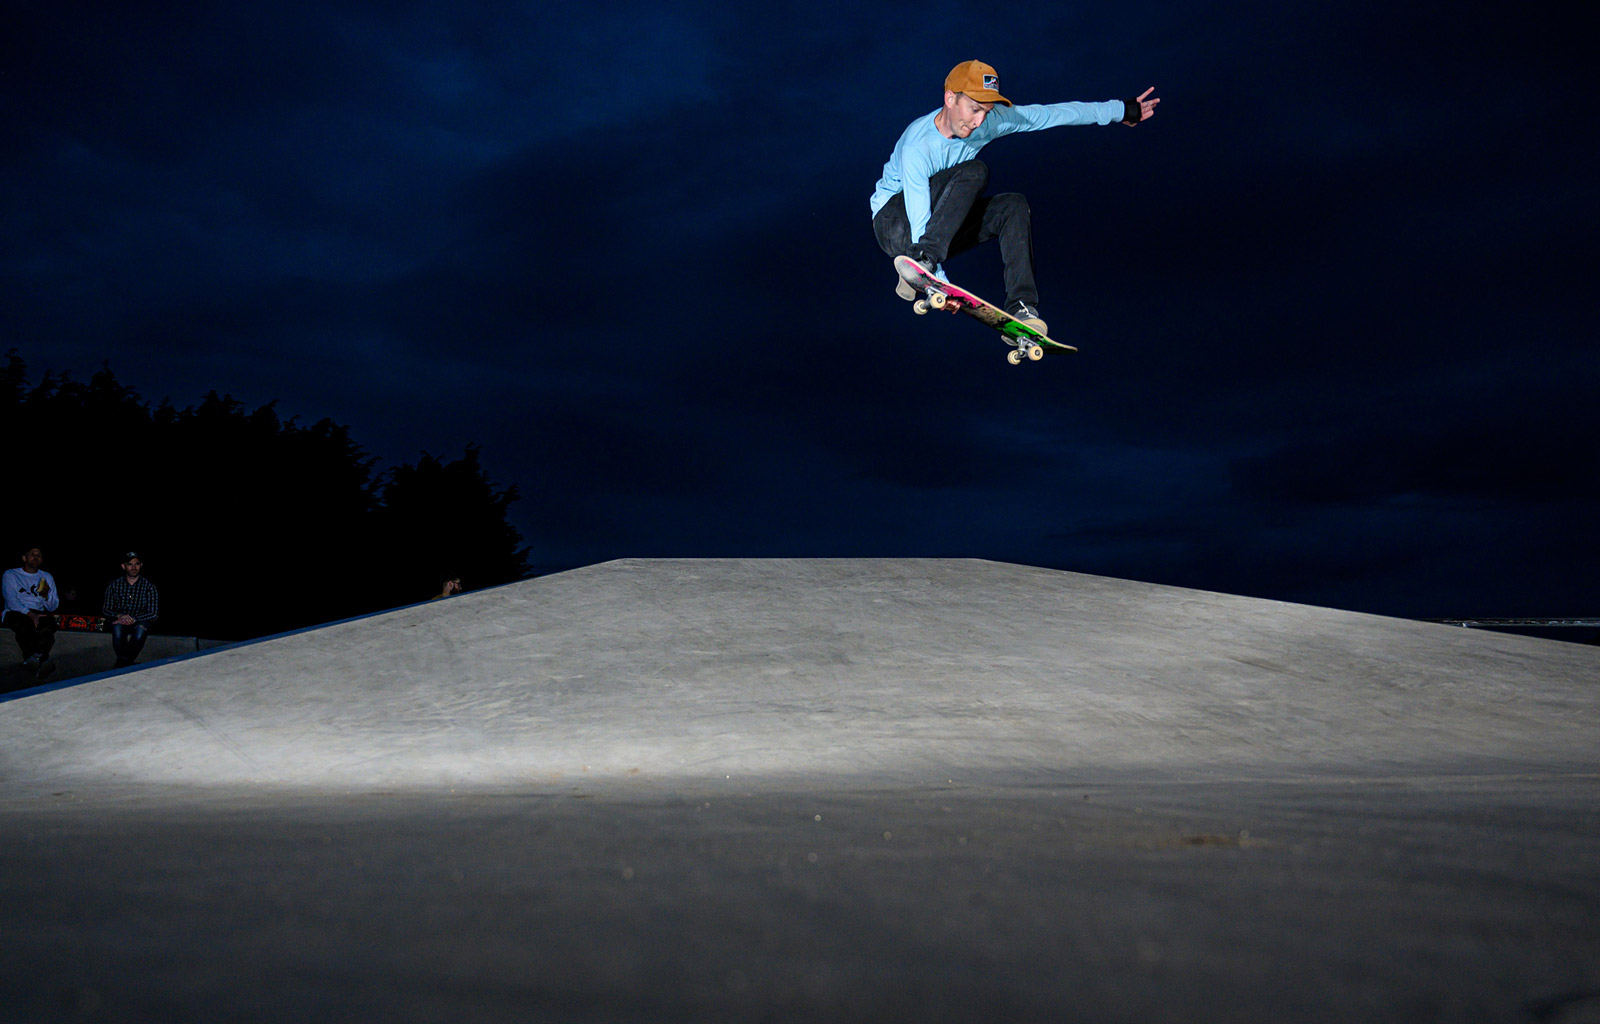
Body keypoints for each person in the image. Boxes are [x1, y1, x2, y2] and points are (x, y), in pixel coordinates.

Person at [871, 60, 1159, 337]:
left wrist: (1122, 110)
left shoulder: (989, 122)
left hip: (936, 226)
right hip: (893, 221)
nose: (979, 121)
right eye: (973, 110)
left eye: (986, 111)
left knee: (1013, 205)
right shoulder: (917, 145)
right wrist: (937, 281)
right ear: (950, 99)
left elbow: (1052, 114)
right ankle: (922, 260)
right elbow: (918, 206)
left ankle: (1023, 308)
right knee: (975, 171)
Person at [3, 545, 61, 678]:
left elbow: (53, 606)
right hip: (16, 611)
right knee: (25, 624)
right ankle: (39, 661)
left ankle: (37, 659)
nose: (36, 557)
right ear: (24, 558)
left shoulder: (46, 576)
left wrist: (46, 595)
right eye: (32, 554)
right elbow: (11, 600)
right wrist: (30, 614)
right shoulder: (11, 574)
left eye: (38, 555)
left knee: (50, 626)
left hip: (38, 611)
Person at [102, 551, 160, 668]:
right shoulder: (114, 585)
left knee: (141, 629)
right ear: (123, 566)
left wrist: (134, 618)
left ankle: (123, 663)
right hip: (119, 620)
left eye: (137, 564)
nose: (134, 567)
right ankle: (126, 664)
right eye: (130, 564)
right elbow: (106, 609)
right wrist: (120, 616)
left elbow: (154, 614)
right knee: (117, 628)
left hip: (139, 620)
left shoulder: (149, 587)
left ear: (141, 565)